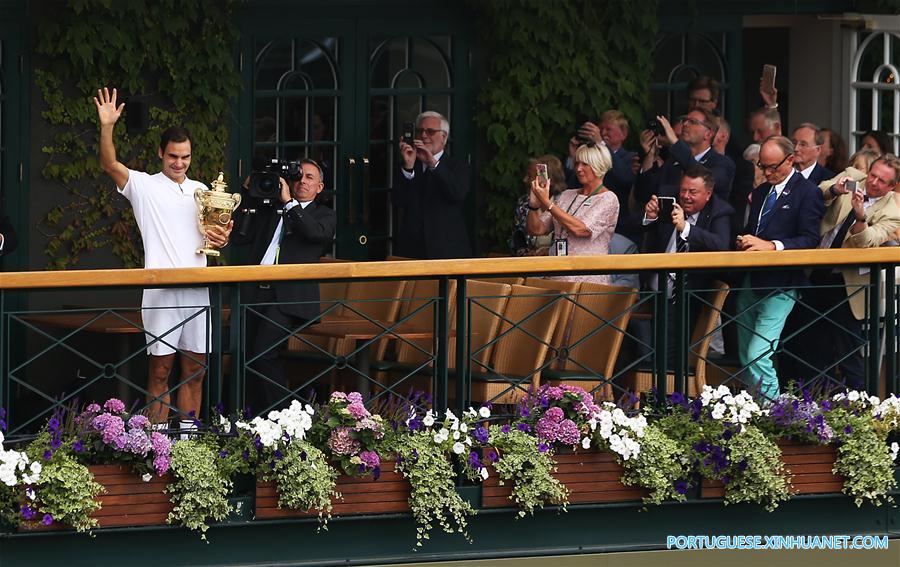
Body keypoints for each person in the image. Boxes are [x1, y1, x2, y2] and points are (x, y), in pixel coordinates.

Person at [94, 87, 230, 430]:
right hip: (160, 293)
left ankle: (189, 445)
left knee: (195, 373)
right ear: (161, 153)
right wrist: (107, 125)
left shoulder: (205, 191)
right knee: (160, 371)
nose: (179, 163)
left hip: (198, 290)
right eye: (173, 156)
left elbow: (216, 233)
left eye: (185, 157)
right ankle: (156, 444)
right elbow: (109, 163)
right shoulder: (144, 185)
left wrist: (221, 236)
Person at [232, 159, 336, 412]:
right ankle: (248, 418)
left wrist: (290, 204)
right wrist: (247, 194)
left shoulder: (325, 215)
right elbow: (238, 237)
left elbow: (314, 235)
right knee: (243, 356)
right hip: (255, 291)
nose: (303, 181)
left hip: (289, 298)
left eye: (310, 177)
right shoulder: (270, 208)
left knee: (262, 354)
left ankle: (286, 417)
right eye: (299, 176)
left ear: (319, 187)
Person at [794, 155, 900, 388]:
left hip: (847, 283)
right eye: (873, 175)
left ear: (892, 187)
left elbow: (868, 241)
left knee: (848, 352)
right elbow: (816, 192)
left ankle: (862, 408)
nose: (873, 182)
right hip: (815, 269)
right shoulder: (853, 176)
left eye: (882, 181)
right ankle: (808, 406)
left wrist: (861, 215)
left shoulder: (893, 210)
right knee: (808, 344)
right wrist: (834, 189)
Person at [734, 136, 825, 402]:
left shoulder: (808, 192)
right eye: (763, 166)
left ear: (791, 159)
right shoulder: (761, 191)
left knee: (757, 354)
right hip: (752, 282)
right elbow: (755, 233)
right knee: (744, 355)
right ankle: (753, 409)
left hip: (783, 284)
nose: (768, 172)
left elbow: (810, 240)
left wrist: (771, 246)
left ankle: (775, 415)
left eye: (773, 166)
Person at [640, 166, 734, 363]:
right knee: (639, 346)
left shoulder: (720, 210)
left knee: (669, 354)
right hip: (653, 290)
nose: (685, 196)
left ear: (708, 194)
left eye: (693, 192)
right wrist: (649, 217)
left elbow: (721, 245)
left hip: (690, 295)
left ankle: (667, 392)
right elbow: (637, 229)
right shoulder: (669, 200)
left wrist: (686, 228)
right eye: (683, 190)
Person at [526, 143, 618, 284]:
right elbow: (537, 229)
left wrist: (547, 203)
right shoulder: (567, 195)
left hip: (588, 280)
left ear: (599, 165)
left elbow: (581, 229)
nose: (579, 169)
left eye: (585, 164)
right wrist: (533, 206)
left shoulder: (608, 198)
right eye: (577, 163)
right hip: (557, 276)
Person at [394, 111, 470, 259]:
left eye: (430, 131)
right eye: (420, 131)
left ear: (444, 137)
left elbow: (456, 193)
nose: (423, 135)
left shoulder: (458, 166)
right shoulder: (408, 164)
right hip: (412, 251)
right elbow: (398, 201)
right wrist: (408, 168)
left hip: (447, 251)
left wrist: (433, 164)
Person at [635, 109, 735, 204]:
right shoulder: (673, 162)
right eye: (684, 120)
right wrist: (650, 155)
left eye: (692, 122)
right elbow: (643, 195)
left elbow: (703, 179)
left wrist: (675, 142)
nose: (685, 124)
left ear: (708, 134)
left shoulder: (722, 163)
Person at [567, 110, 637, 221]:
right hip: (583, 218)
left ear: (624, 133)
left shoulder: (631, 158)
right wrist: (574, 158)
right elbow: (572, 187)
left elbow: (624, 178)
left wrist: (601, 144)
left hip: (616, 223)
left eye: (609, 129)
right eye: (601, 129)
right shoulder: (589, 158)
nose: (603, 133)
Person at [509, 155, 565, 256]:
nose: (525, 180)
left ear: (548, 179)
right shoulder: (524, 203)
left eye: (530, 176)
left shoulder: (565, 202)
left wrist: (549, 252)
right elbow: (516, 239)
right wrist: (527, 254)